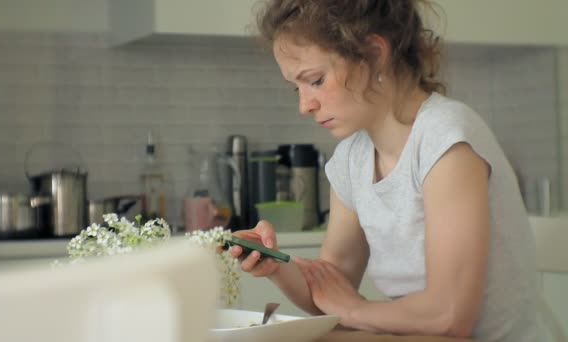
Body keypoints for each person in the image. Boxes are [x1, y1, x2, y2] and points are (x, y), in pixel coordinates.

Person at [229, 1, 540, 341]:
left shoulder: (445, 139)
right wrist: (277, 267)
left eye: (315, 80)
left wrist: (354, 309)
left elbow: (449, 315)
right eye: (297, 87)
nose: (305, 105)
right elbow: (332, 286)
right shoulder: (352, 159)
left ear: (374, 55)